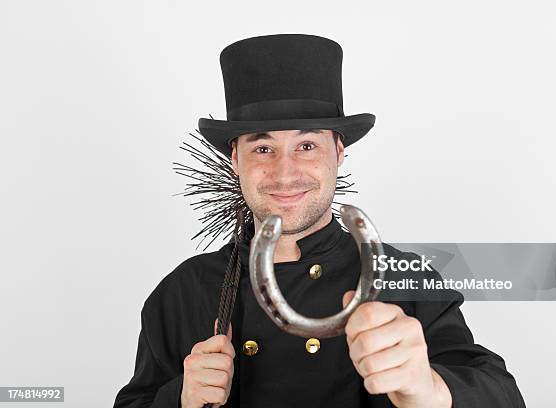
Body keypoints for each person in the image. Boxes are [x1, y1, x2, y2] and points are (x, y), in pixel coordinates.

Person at [113, 34, 526, 408]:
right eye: (262, 149)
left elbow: (503, 395)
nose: (285, 173)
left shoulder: (406, 280)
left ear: (339, 151)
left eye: (307, 145)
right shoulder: (181, 293)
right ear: (235, 159)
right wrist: (177, 399)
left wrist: (430, 389)